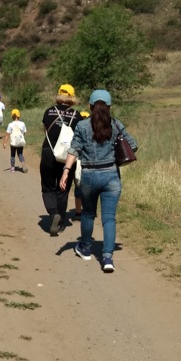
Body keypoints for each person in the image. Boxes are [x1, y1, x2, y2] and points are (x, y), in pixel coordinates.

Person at [60, 89, 138, 273]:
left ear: (90, 106)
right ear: (109, 107)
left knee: (87, 214)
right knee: (109, 218)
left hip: (89, 175)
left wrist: (65, 172)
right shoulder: (116, 125)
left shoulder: (82, 126)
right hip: (111, 175)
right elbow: (133, 145)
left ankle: (85, 248)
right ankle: (108, 257)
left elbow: (74, 150)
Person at [40, 84, 81, 237]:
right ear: (72, 97)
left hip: (49, 152)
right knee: (63, 189)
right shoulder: (77, 115)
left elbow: (46, 131)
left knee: (47, 187)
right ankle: (62, 222)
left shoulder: (48, 112)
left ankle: (53, 213)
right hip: (68, 155)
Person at [2, 108, 27, 173]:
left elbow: (7, 134)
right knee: (20, 154)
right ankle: (23, 162)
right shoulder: (22, 124)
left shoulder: (10, 124)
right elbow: (24, 132)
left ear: (13, 116)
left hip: (13, 142)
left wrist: (5, 143)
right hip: (20, 142)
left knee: (13, 155)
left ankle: (12, 168)